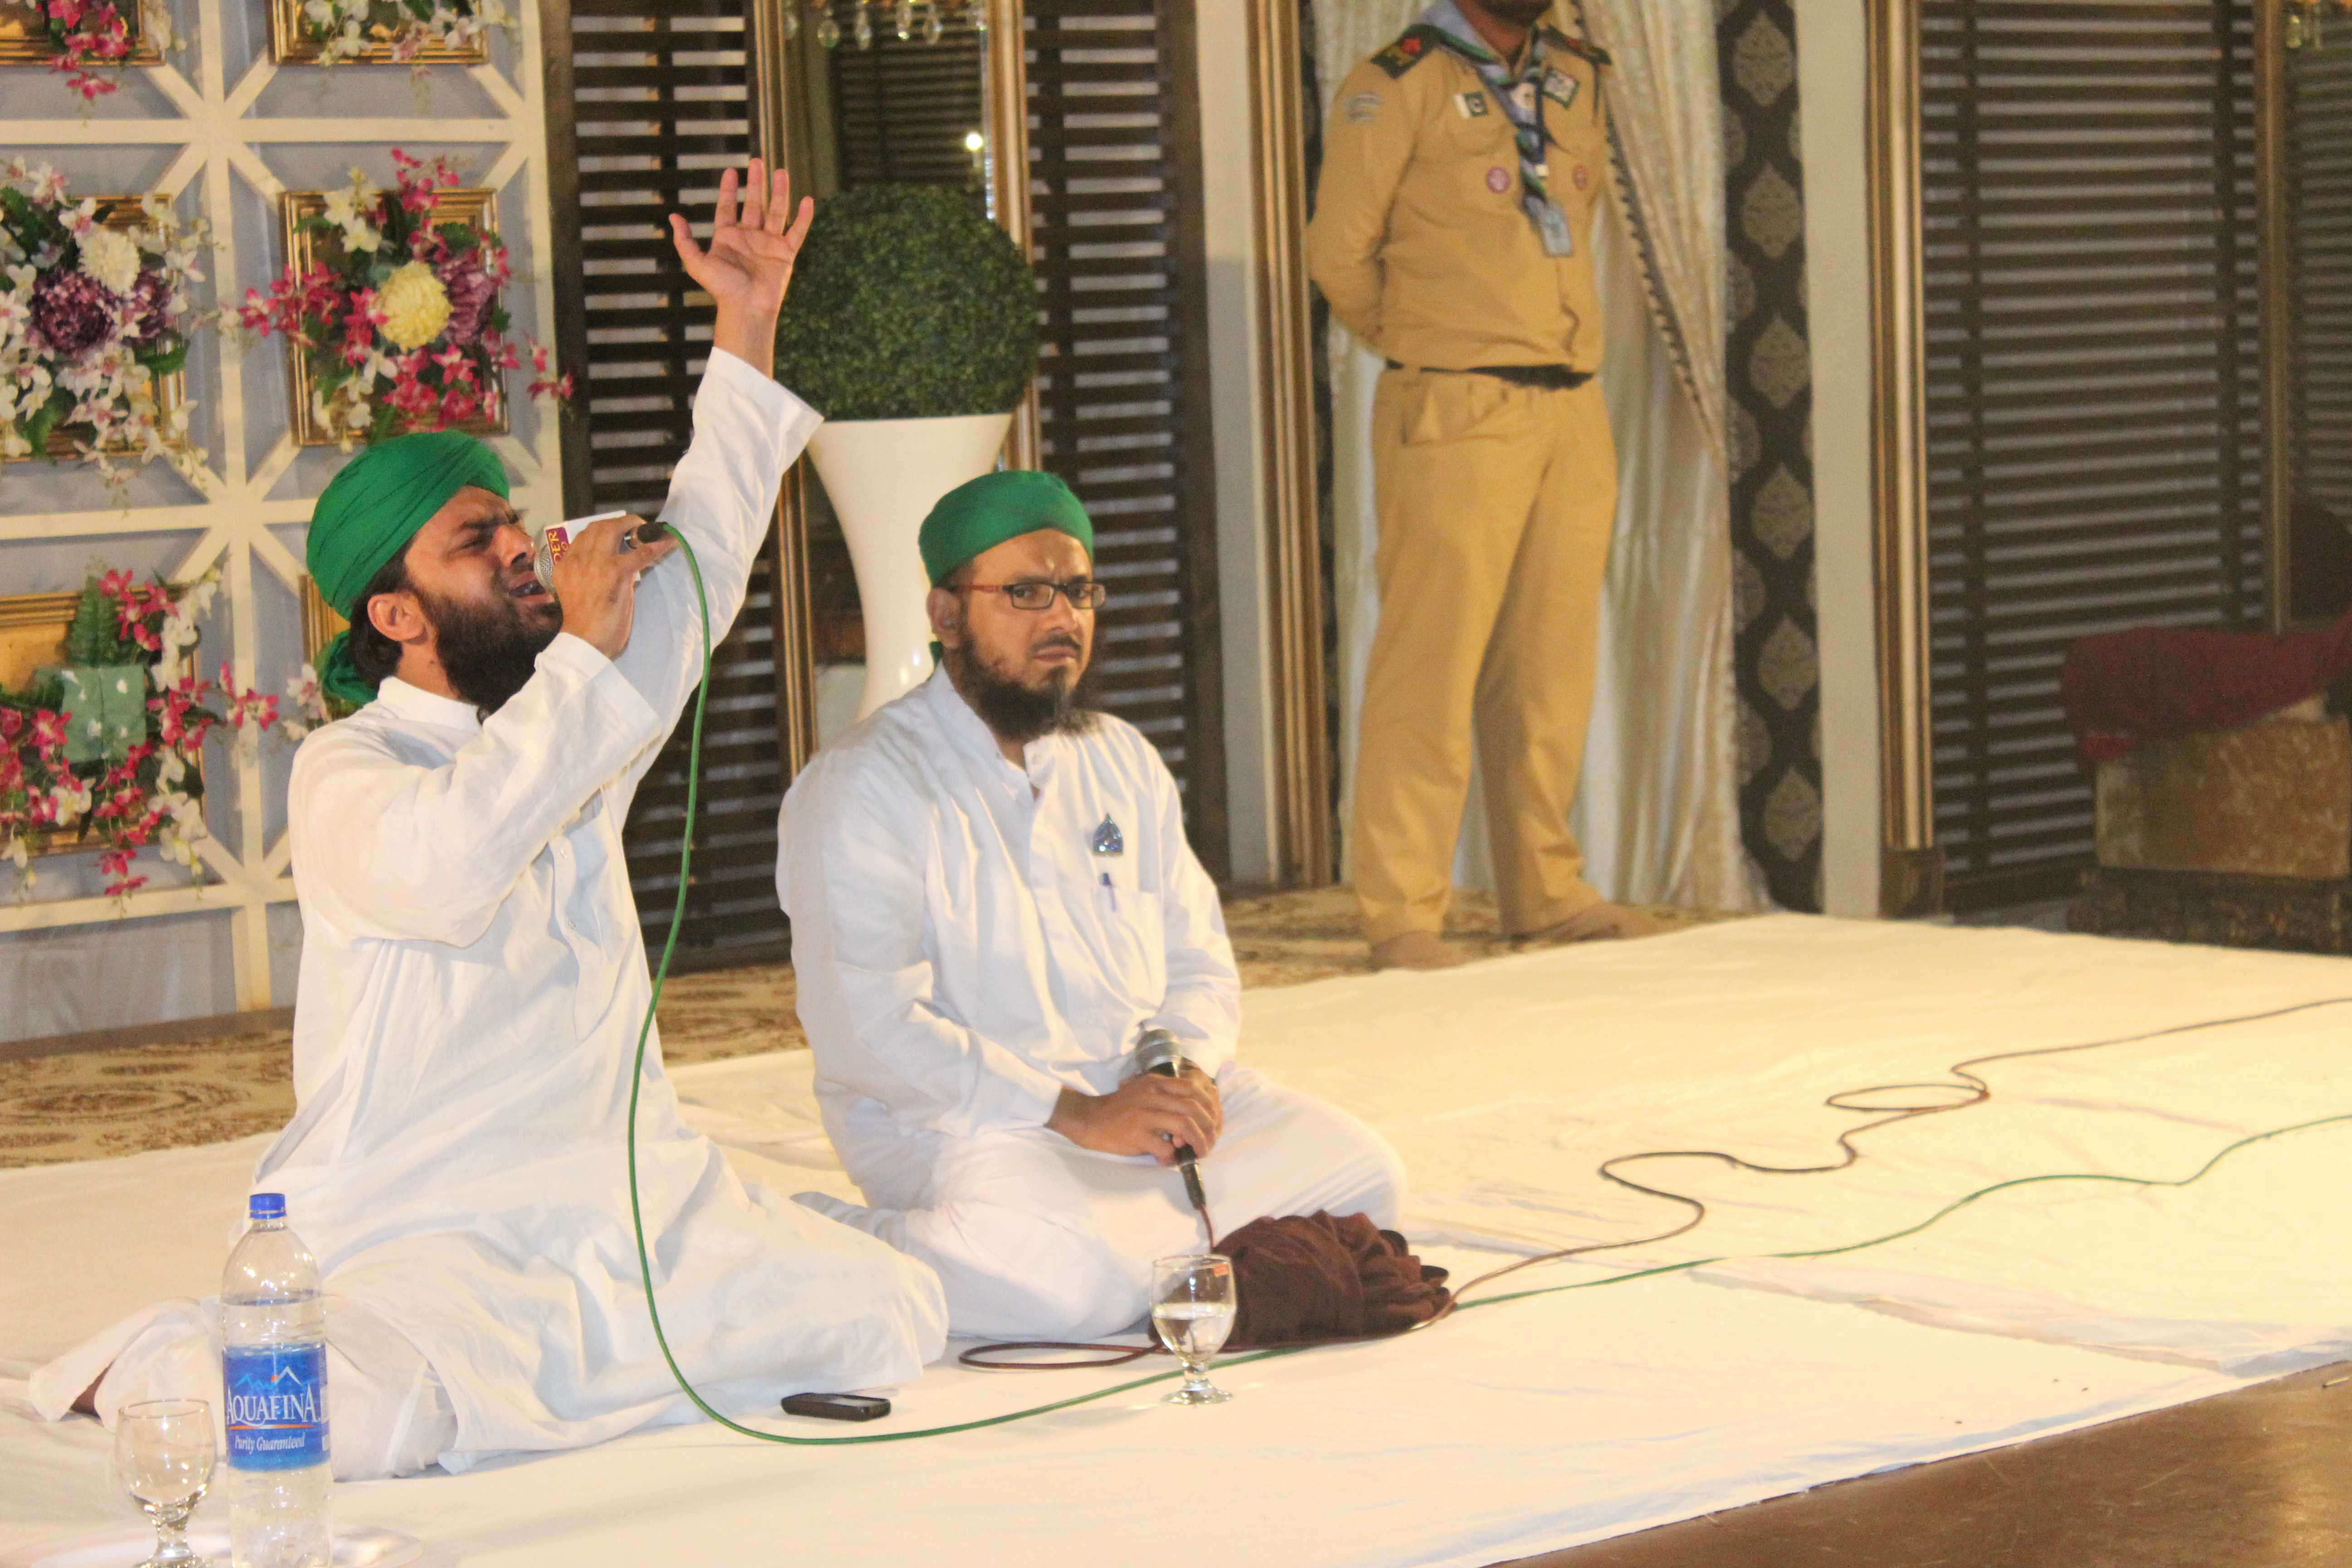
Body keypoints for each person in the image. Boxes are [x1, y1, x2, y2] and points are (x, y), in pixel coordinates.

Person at [30, 163, 947, 1478]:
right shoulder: (351, 774)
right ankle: (162, 1353)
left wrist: (747, 322)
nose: (524, 548)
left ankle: (616, 1345)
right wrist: (582, 661)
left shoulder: (574, 703)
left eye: (514, 523)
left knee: (892, 1314)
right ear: (397, 615)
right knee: (364, 1423)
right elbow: (459, 861)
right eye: (479, 541)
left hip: (629, 1209)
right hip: (433, 1223)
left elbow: (709, 540)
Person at [778, 470, 1407, 1342]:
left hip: (1138, 1103)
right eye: (1026, 594)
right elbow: (868, 1029)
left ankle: (1129, 1249)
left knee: (1367, 1180)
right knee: (1062, 1292)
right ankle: (824, 1239)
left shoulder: (1120, 760)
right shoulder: (863, 784)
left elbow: (1197, 960)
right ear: (947, 614)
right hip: (973, 1127)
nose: (1063, 619)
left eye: (1078, 592)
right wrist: (1074, 1114)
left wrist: (1182, 1072)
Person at [1307, 0, 1657, 970]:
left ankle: (1545, 891)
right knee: (1431, 663)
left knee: (1550, 669)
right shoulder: (1396, 83)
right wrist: (1426, 344)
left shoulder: (1578, 74)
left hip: (1571, 401)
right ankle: (1402, 912)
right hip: (1457, 406)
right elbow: (1338, 254)